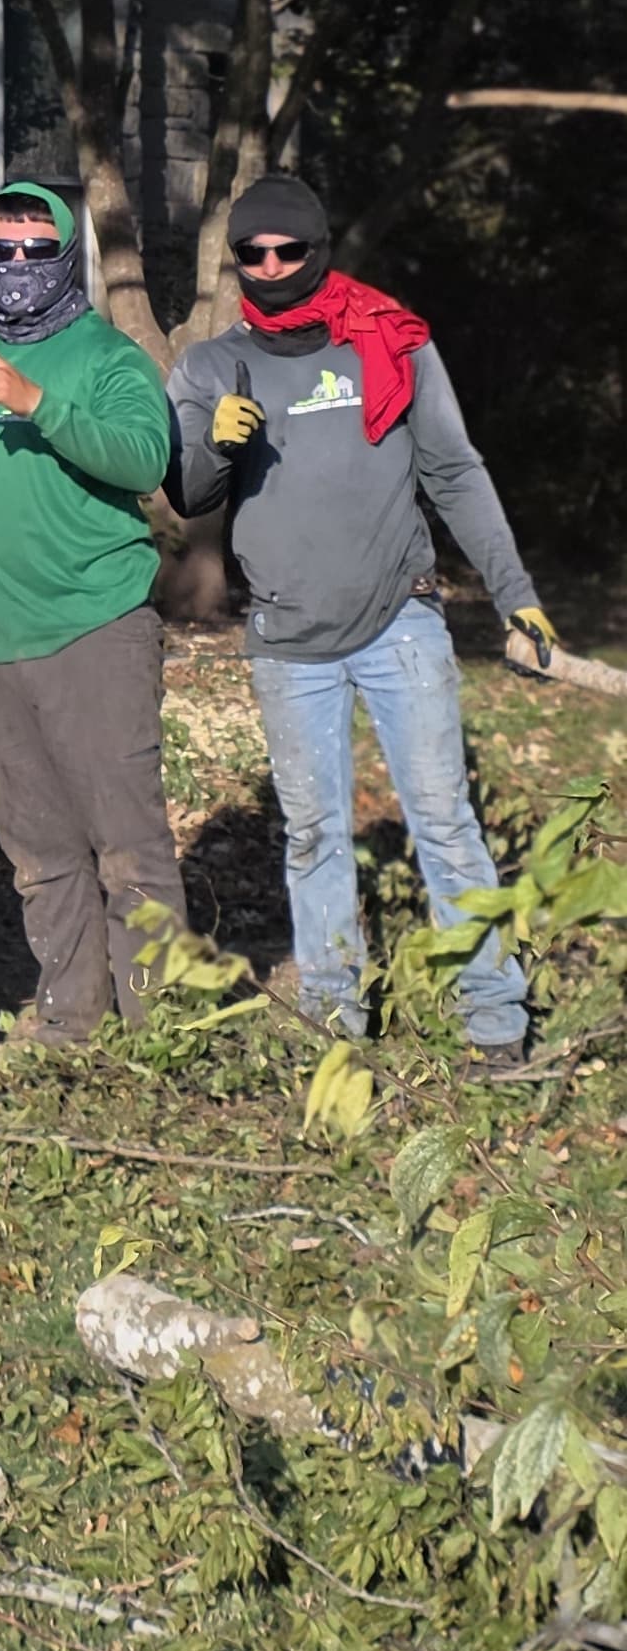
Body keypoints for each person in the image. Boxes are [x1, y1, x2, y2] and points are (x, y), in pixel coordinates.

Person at [167, 175, 554, 1072]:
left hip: (401, 620)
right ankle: (337, 1023)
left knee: (445, 821)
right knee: (312, 836)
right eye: (251, 254)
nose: (270, 267)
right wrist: (215, 442)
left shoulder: (390, 342)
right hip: (288, 639)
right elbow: (189, 495)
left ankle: (495, 1020)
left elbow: (455, 469)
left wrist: (515, 590)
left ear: (320, 246)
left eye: (288, 250)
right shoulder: (212, 365)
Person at [0, 182, 186, 1042]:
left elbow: (145, 458)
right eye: (1, 252)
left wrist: (41, 404)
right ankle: (73, 1019)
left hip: (96, 625)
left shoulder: (108, 358)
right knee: (39, 855)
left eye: (38, 251)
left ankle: (161, 1026)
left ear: (67, 256)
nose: (18, 269)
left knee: (127, 844)